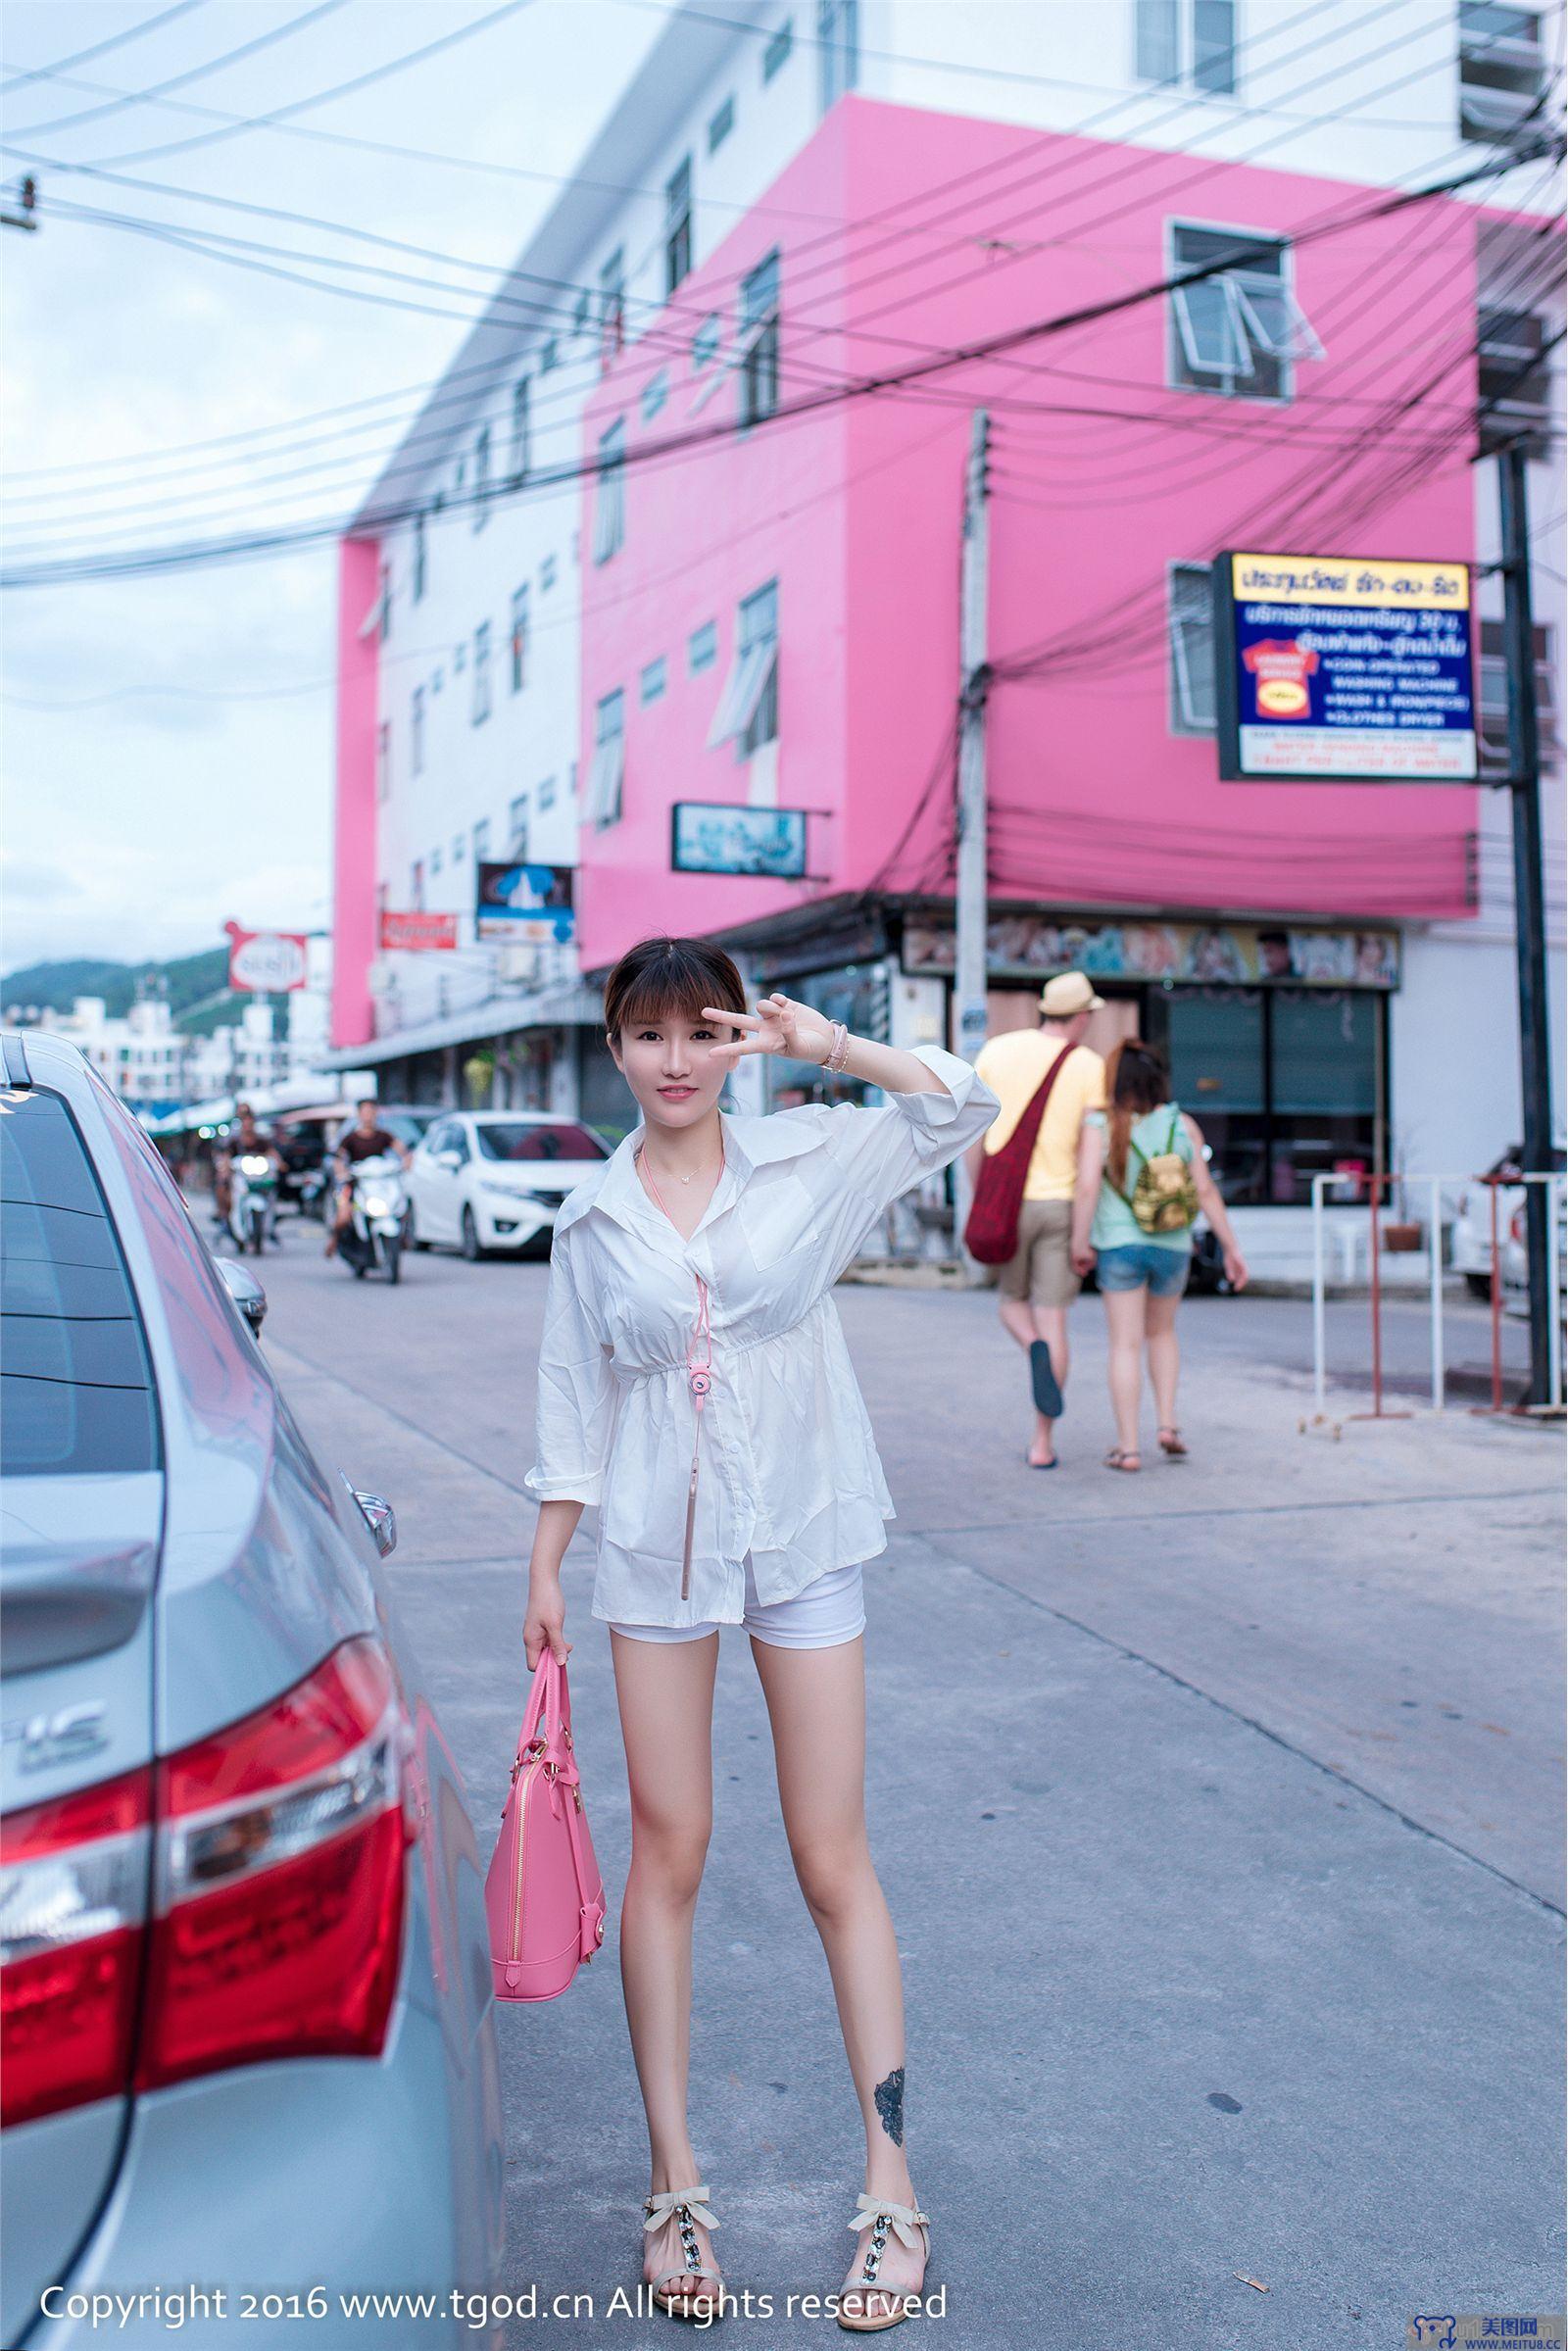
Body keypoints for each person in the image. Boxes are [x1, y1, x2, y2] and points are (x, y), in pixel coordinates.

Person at [521, 935, 999, 2331]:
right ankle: (674, 2181)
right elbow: (573, 1403)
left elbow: (960, 1103)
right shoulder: (592, 1217)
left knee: (828, 1850)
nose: (677, 1059)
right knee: (668, 1847)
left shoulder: (812, 1153)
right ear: (613, 1047)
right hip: (652, 1555)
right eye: (650, 1034)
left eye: (703, 1031)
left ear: (736, 1040)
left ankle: (892, 2183)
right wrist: (547, 1563)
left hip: (801, 1526)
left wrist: (824, 1042)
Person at [1069, 1039, 1249, 1470]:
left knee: (1125, 1345)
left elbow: (1087, 1187)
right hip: (1172, 1245)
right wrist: (1231, 1247)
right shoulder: (1182, 1125)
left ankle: (1129, 1448)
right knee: (1163, 1333)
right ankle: (1168, 1425)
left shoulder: (1099, 1125)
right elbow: (1205, 1190)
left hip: (1119, 1245)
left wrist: (1079, 1241)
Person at [964, 971, 1108, 1471]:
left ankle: (1033, 1348)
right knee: (1054, 1317)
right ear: (1083, 1016)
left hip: (1005, 1201)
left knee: (1011, 1303)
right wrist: (1083, 1237)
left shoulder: (997, 1051)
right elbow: (1090, 1168)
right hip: (1060, 1204)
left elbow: (972, 1137)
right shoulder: (1089, 1065)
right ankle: (1042, 1442)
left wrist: (981, 1196)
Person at [325, 1100, 413, 1258]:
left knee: (402, 1205)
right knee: (344, 1215)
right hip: (357, 1183)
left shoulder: (384, 1136)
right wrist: (342, 1172)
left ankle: (403, 1238)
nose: (368, 1116)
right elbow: (339, 1158)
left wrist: (406, 1162)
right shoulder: (351, 1138)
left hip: (380, 1183)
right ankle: (333, 1241)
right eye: (365, 1112)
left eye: (372, 1112)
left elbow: (403, 1151)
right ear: (359, 1114)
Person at [213, 1102, 283, 1229]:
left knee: (272, 1187)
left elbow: (272, 1153)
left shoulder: (261, 1140)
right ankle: (222, 1213)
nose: (247, 1124)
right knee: (222, 1184)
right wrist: (225, 1168)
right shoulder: (234, 1140)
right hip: (240, 1176)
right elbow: (226, 1157)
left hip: (257, 1177)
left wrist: (279, 1163)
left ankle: (271, 1220)